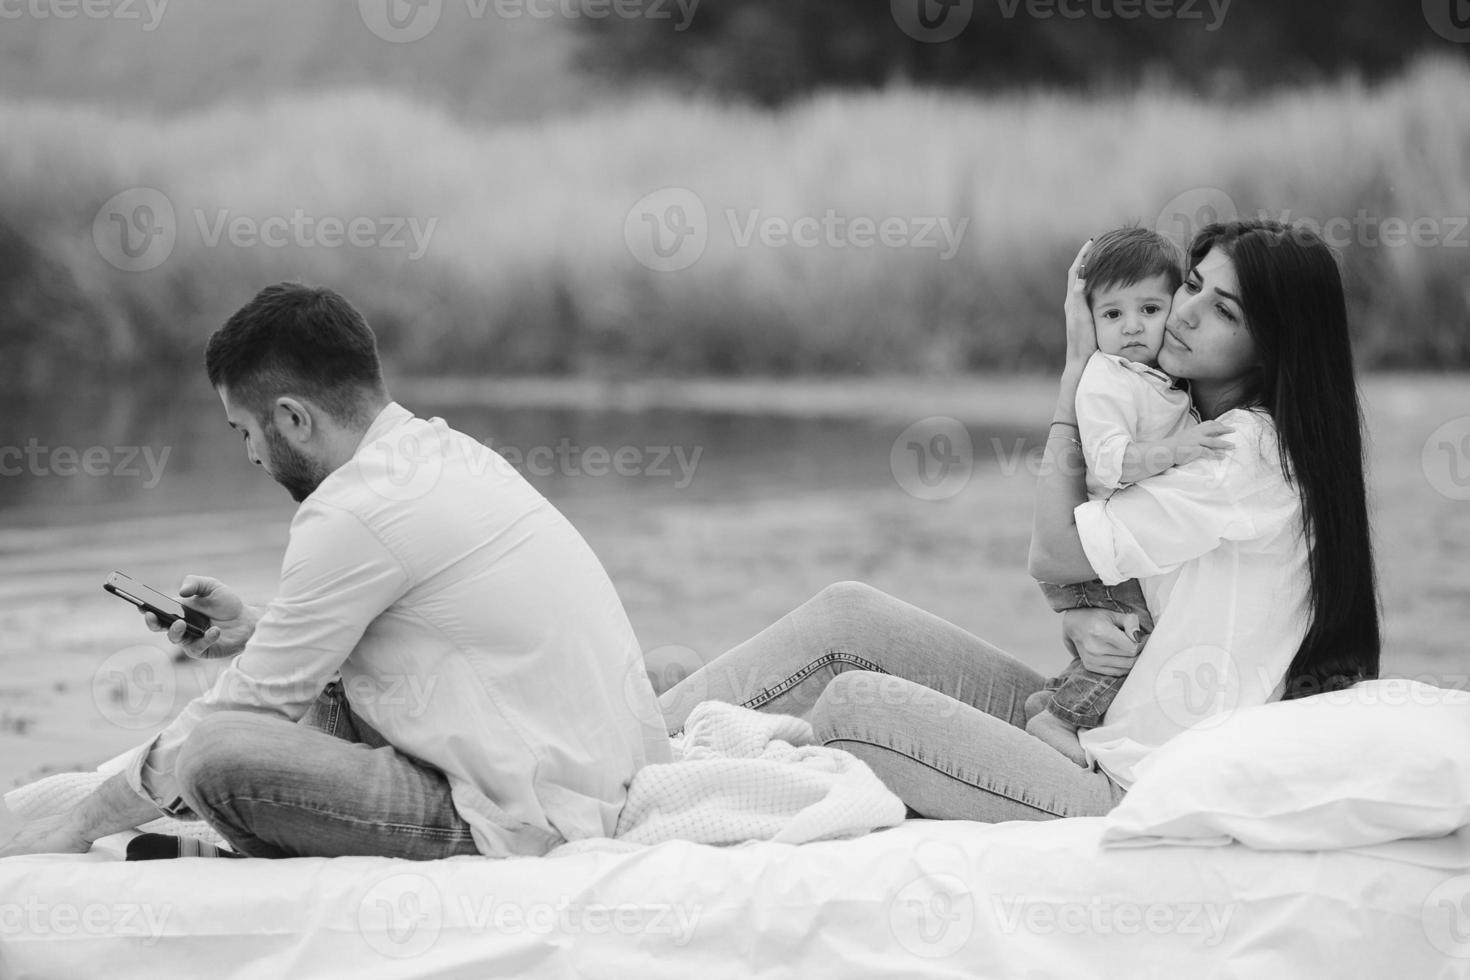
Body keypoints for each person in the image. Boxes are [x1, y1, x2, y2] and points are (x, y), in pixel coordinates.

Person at [659, 220, 1380, 820]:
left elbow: (1055, 550)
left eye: (1226, 310)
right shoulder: (1183, 417)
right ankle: (642, 736)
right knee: (850, 615)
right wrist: (1074, 613)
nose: (1184, 312)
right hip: (1091, 725)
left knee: (857, 706)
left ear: (1273, 347)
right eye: (1192, 283)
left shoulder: (1241, 453)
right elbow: (1082, 562)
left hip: (1129, 785)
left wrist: (1076, 372)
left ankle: (640, 754)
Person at [1, 283, 670, 859]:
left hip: (524, 816)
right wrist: (253, 631)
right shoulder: (444, 452)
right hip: (586, 770)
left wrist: (76, 823)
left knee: (214, 755)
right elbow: (418, 630)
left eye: (244, 431)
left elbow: (244, 708)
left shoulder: (353, 511)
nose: (251, 454)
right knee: (287, 701)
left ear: (292, 417)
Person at [1025, 226, 1234, 765]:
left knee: (1120, 641)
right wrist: (1180, 449)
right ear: (1089, 321)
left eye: (1149, 308)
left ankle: (1053, 697)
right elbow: (1111, 462)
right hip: (1092, 557)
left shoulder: (1155, 377)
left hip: (1100, 549)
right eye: (1112, 315)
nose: (1134, 327)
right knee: (1136, 640)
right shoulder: (1108, 379)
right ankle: (1059, 720)